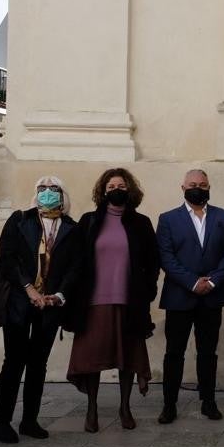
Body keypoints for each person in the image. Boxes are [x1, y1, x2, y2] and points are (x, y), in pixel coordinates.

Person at [63, 168, 159, 433]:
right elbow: (76, 259)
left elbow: (152, 262)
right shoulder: (89, 221)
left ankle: (125, 407)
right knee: (93, 358)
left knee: (127, 357)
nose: (116, 189)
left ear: (130, 190)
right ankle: (92, 408)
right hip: (93, 301)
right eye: (111, 186)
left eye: (121, 185)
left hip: (129, 300)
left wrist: (148, 290)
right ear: (103, 191)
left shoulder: (141, 223)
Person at [0, 175, 81, 444]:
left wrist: (58, 295)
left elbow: (76, 266)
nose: (47, 193)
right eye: (41, 188)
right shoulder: (21, 220)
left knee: (38, 364)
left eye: (53, 189)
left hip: (51, 306)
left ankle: (30, 419)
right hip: (20, 302)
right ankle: (2, 421)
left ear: (62, 194)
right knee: (14, 360)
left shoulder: (72, 228)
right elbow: (6, 259)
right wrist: (29, 289)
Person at [156, 169, 224, 423]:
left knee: (208, 352)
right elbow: (166, 257)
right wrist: (192, 282)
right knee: (174, 352)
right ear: (183, 187)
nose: (197, 188)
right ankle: (169, 404)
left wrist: (212, 281)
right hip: (180, 296)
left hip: (213, 296)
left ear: (209, 186)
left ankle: (208, 402)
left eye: (202, 184)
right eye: (192, 184)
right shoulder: (168, 219)